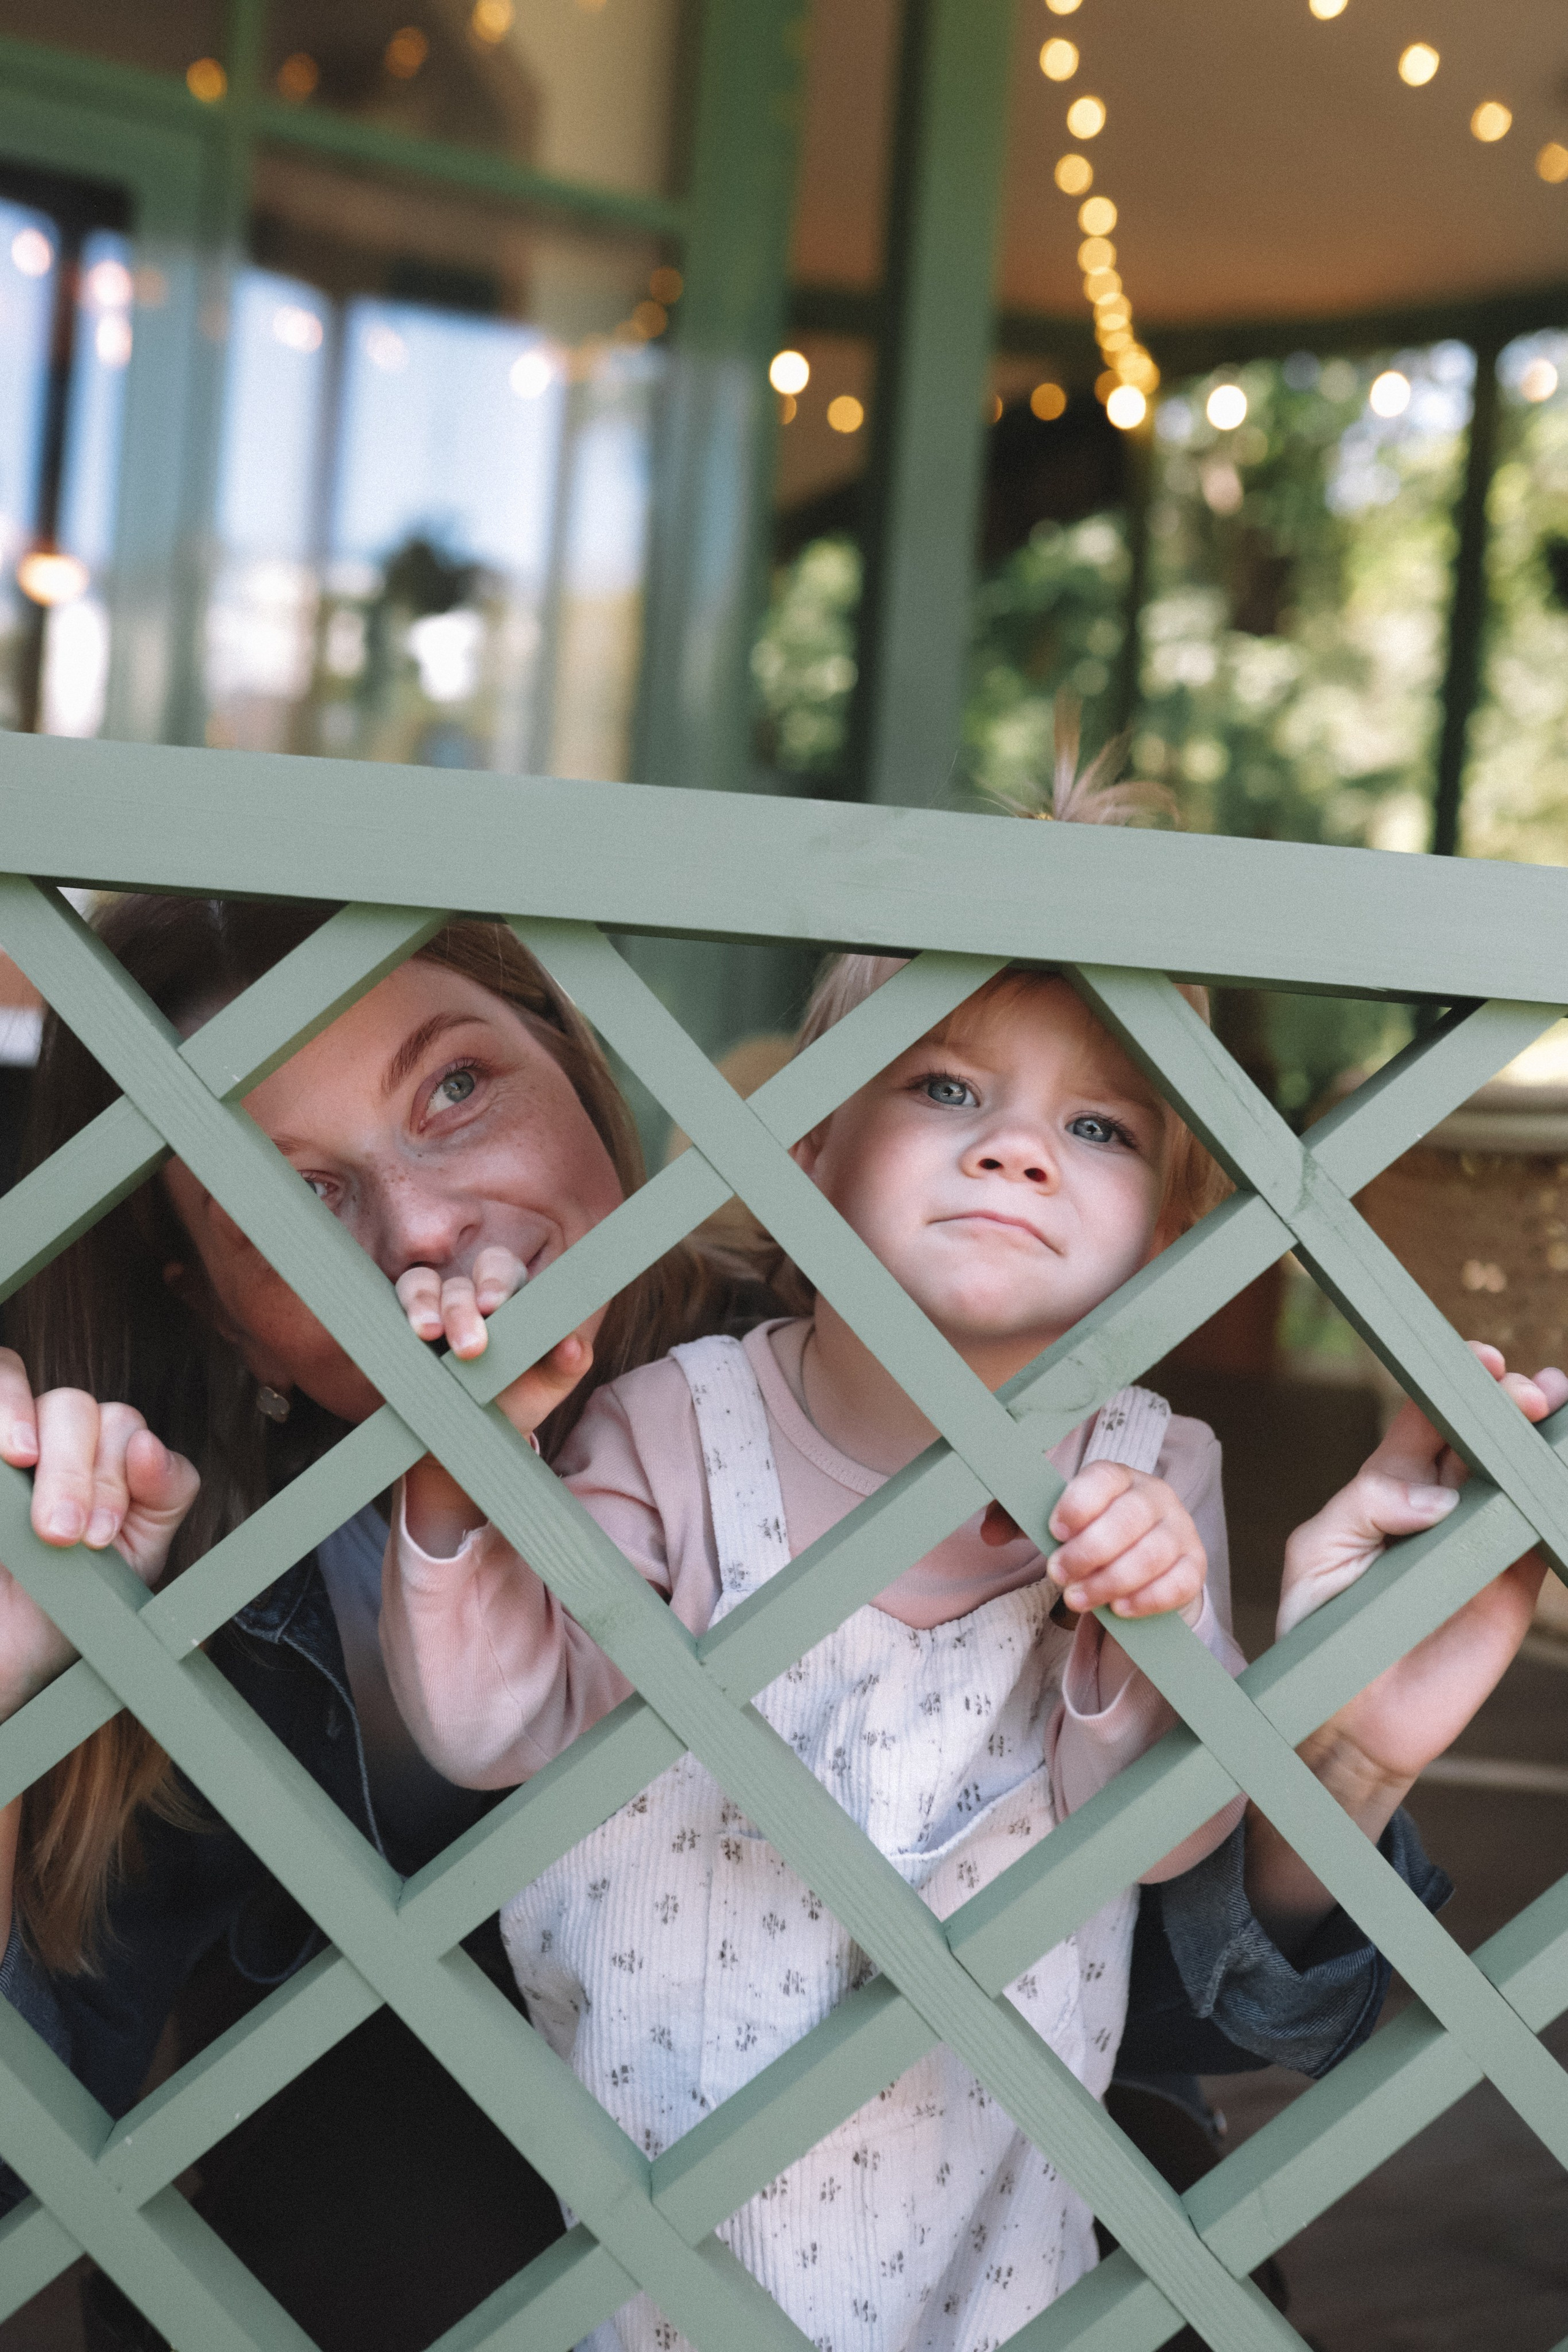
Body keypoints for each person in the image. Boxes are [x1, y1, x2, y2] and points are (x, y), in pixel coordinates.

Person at [0, 892, 1554, 2350]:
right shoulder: (157, 1580)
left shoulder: (908, 1376)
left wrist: (1328, 1761)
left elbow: (1160, 1997)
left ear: (588, 1059)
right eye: (291, 1196)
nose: (416, 1229)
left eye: (459, 1087)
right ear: (205, 1295)